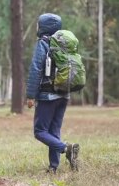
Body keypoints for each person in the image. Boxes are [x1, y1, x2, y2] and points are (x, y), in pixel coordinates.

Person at [25, 13, 80, 173]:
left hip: (48, 95)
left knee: (40, 131)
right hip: (64, 94)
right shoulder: (65, 44)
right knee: (54, 131)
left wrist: (30, 95)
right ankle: (53, 167)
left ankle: (66, 149)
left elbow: (36, 69)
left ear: (43, 27)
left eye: (38, 24)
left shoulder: (44, 43)